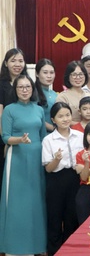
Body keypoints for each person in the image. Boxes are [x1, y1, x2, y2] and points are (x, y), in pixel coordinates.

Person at [0, 75, 47, 255]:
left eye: (28, 86)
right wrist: (20, 139)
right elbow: (5, 137)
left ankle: (36, 246)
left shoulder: (39, 110)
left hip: (37, 158)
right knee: (17, 203)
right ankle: (14, 247)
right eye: (21, 87)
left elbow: (43, 136)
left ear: (33, 89)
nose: (25, 90)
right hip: (17, 158)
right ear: (15, 90)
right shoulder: (10, 110)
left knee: (36, 202)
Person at [41, 102, 84, 255]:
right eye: (60, 116)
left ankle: (71, 251)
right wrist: (56, 160)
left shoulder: (80, 136)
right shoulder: (49, 140)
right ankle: (54, 251)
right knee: (55, 216)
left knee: (72, 217)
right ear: (53, 119)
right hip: (56, 180)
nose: (65, 119)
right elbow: (48, 168)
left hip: (75, 178)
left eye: (67, 115)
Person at [0, 48, 29, 193]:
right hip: (6, 138)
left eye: (20, 61)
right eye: (13, 61)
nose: (17, 64)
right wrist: (5, 140)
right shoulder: (2, 85)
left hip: (25, 137)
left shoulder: (27, 84)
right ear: (6, 63)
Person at [35, 58, 57, 133]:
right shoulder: (33, 93)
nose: (49, 76)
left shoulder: (54, 94)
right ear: (37, 74)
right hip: (41, 135)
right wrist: (53, 128)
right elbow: (34, 117)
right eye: (45, 72)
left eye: (51, 72)